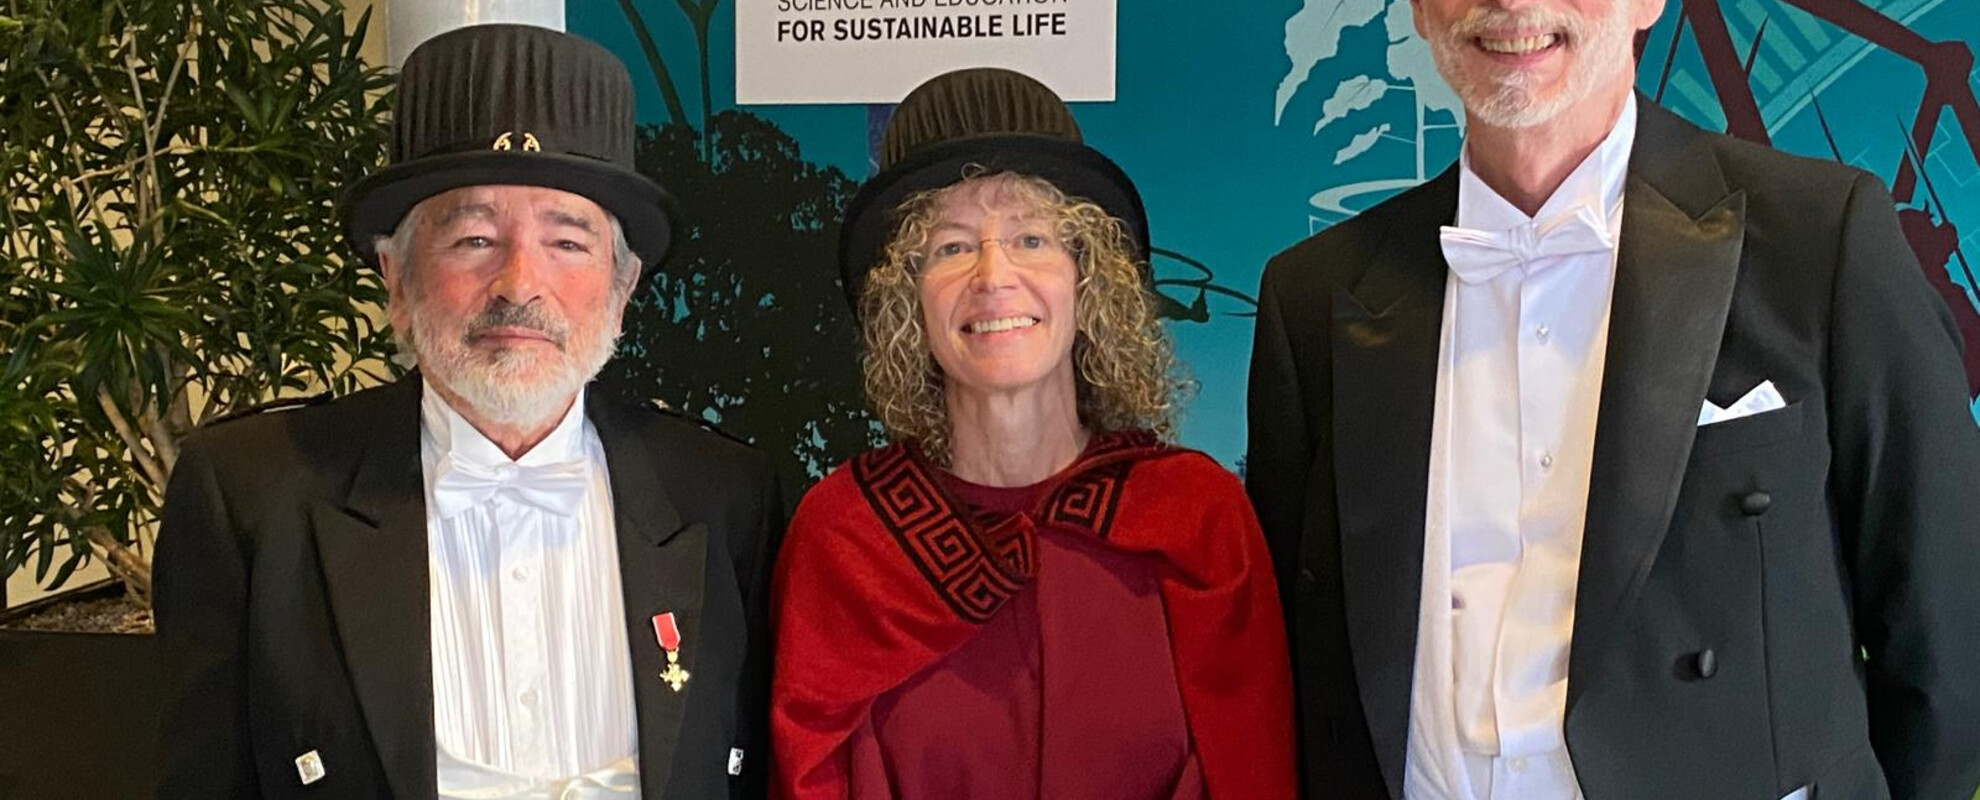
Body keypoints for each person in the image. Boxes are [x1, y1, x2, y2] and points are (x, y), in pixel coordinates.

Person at [1247, 0, 1980, 796]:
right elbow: (1303, 665)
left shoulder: (1824, 238)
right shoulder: (1312, 297)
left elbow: (1947, 639)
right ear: (1422, 12)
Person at [153, 24, 784, 799]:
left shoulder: (728, 497)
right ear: (394, 279)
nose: (519, 284)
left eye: (568, 242)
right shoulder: (251, 493)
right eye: (475, 238)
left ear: (621, 293)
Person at [769, 68, 1296, 800]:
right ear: (904, 300)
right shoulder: (845, 536)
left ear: (1089, 281)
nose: (994, 276)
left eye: (1031, 239)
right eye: (951, 248)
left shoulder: (1196, 516)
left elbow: (1255, 775)